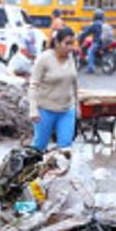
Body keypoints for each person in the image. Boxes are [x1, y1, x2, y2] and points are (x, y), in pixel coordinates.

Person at [29, 26, 79, 154]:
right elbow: (34, 85)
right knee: (39, 147)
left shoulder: (71, 58)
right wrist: (33, 110)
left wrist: (77, 106)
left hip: (66, 110)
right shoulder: (44, 59)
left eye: (72, 44)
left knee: (65, 149)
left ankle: (61, 168)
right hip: (45, 110)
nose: (70, 47)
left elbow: (74, 83)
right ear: (57, 43)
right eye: (67, 43)